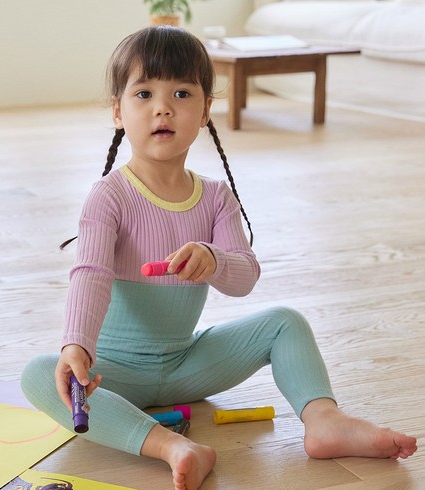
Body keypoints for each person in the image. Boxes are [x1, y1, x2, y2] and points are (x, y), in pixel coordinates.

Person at [21, 26, 417, 490]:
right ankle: (173, 446)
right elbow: (90, 274)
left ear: (207, 109)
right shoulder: (109, 197)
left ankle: (324, 419)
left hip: (187, 363)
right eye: (144, 93)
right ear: (117, 111)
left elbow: (245, 276)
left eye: (182, 93)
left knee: (285, 321)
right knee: (37, 375)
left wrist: (215, 259)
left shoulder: (215, 198)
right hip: (112, 374)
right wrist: (77, 348)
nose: (163, 107)